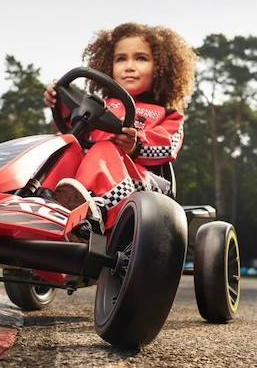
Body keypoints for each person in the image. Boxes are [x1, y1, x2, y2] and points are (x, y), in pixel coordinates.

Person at [44, 22, 197, 240]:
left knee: (104, 148)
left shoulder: (167, 114)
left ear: (162, 68)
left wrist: (137, 145)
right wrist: (58, 101)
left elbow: (168, 146)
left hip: (144, 187)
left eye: (141, 58)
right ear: (109, 65)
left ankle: (90, 212)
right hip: (85, 176)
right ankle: (39, 204)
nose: (129, 66)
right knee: (62, 148)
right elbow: (75, 128)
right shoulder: (101, 105)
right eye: (121, 59)